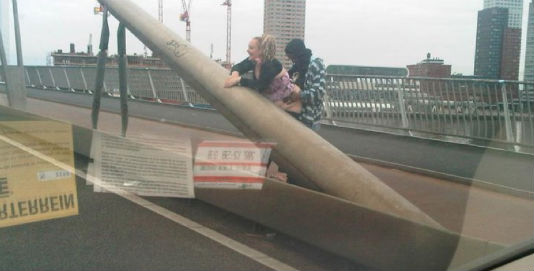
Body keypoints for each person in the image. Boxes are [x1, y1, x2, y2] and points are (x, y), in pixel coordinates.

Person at [224, 34, 301, 113]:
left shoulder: (272, 64)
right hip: (273, 96)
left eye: (251, 48)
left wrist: (239, 80)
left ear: (261, 51)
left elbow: (261, 85)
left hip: (290, 99)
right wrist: (234, 75)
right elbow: (239, 66)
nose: (247, 50)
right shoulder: (254, 60)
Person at [284, 39, 326, 131]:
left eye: (293, 58)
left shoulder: (316, 65)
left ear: (298, 55)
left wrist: (299, 94)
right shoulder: (297, 67)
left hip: (309, 118)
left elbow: (318, 94)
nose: (293, 62)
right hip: (297, 115)